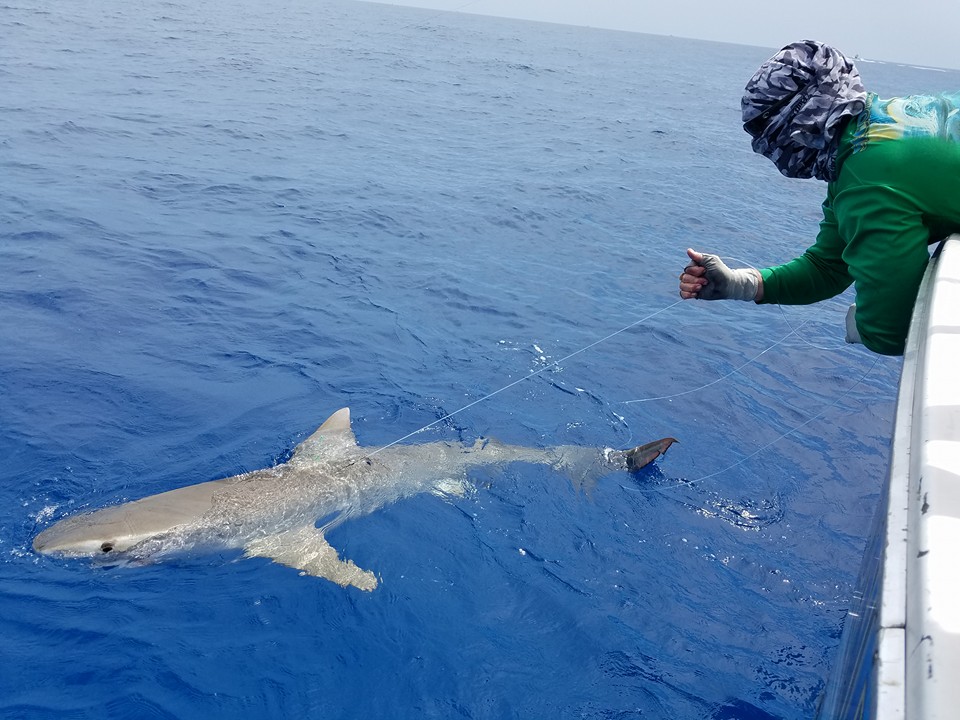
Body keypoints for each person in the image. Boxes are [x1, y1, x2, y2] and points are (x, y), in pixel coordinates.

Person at [678, 40, 960, 356]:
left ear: (799, 122)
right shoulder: (877, 130)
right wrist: (737, 284)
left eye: (767, 131)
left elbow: (891, 333)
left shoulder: (865, 180)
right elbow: (827, 266)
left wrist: (864, 328)